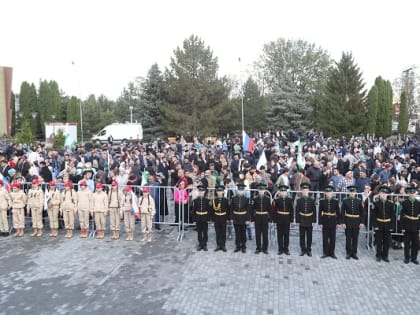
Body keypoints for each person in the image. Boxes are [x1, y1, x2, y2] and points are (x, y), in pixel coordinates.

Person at [341, 185, 365, 259]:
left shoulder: (358, 201)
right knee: (348, 237)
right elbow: (342, 212)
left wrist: (362, 222)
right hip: (348, 220)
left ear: (355, 192)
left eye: (353, 192)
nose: (352, 193)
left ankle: (354, 252)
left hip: (356, 221)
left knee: (355, 238)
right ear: (348, 192)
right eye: (351, 192)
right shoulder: (345, 200)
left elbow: (362, 212)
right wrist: (343, 222)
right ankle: (348, 252)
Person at [372, 186, 395, 262]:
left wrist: (392, 226)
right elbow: (373, 216)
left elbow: (392, 216)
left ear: (387, 195)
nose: (383, 195)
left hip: (388, 224)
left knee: (386, 241)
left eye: (385, 193)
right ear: (379, 194)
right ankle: (378, 255)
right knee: (379, 241)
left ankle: (385, 256)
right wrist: (375, 225)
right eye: (382, 193)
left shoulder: (391, 204)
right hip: (379, 224)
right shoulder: (376, 203)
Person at [318, 185, 340, 259]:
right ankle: (325, 252)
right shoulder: (322, 200)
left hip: (333, 220)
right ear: (325, 193)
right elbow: (320, 212)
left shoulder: (335, 201)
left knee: (333, 238)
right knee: (325, 237)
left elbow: (338, 212)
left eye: (330, 192)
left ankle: (332, 252)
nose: (328, 193)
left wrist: (338, 223)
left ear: (332, 193)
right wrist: (320, 222)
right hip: (325, 220)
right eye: (327, 192)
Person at [295, 183, 316, 256]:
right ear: (302, 191)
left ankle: (309, 249)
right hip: (302, 219)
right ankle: (303, 249)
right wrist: (297, 221)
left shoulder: (312, 200)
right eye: (303, 190)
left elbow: (314, 211)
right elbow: (297, 211)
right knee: (302, 235)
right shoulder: (299, 200)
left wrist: (314, 221)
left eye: (306, 190)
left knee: (309, 236)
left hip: (309, 219)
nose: (305, 192)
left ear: (308, 191)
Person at [272, 184, 293, 255]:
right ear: (279, 192)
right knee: (280, 234)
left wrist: (291, 220)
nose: (283, 193)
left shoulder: (289, 200)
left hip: (287, 218)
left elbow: (291, 210)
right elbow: (274, 210)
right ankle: (280, 249)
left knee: (286, 234)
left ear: (286, 192)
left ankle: (286, 249)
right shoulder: (277, 200)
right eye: (282, 191)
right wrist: (274, 220)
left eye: (284, 191)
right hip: (279, 219)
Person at [400, 186, 420, 264]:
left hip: (416, 224)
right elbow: (402, 214)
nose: (412, 195)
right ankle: (407, 257)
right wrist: (402, 226)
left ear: (416, 194)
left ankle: (414, 258)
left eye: (413, 193)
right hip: (407, 224)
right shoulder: (405, 202)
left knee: (416, 243)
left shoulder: (418, 203)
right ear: (409, 194)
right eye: (411, 193)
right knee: (407, 243)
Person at [251, 183, 271, 254]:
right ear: (258, 191)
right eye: (260, 190)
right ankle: (258, 248)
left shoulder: (267, 199)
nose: (261, 191)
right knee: (258, 233)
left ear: (265, 190)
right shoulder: (255, 199)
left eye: (262, 190)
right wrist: (252, 219)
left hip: (265, 217)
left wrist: (270, 219)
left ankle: (265, 248)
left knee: (265, 234)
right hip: (257, 217)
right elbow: (252, 209)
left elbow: (269, 209)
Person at [230, 184, 251, 253]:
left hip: (243, 218)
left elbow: (248, 210)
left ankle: (243, 246)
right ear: (237, 190)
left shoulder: (246, 199)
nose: (240, 191)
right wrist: (231, 218)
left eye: (242, 190)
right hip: (236, 217)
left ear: (243, 191)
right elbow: (231, 209)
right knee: (237, 233)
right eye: (239, 190)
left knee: (243, 233)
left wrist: (248, 219)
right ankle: (238, 246)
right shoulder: (233, 198)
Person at [210, 185, 229, 252]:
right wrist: (212, 219)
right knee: (217, 232)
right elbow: (212, 210)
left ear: (223, 192)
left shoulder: (226, 200)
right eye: (218, 191)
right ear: (217, 192)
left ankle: (223, 245)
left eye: (221, 191)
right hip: (216, 217)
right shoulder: (214, 200)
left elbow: (228, 210)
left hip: (223, 217)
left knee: (223, 232)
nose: (219, 192)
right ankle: (218, 245)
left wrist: (227, 218)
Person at [192, 185, 210, 251]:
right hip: (198, 217)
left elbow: (209, 210)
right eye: (200, 191)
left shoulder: (207, 200)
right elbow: (194, 211)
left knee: (205, 231)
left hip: (205, 217)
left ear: (204, 192)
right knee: (199, 231)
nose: (201, 192)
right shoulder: (196, 200)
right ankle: (200, 244)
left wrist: (208, 219)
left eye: (202, 191)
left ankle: (204, 244)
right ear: (198, 192)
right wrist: (194, 219)